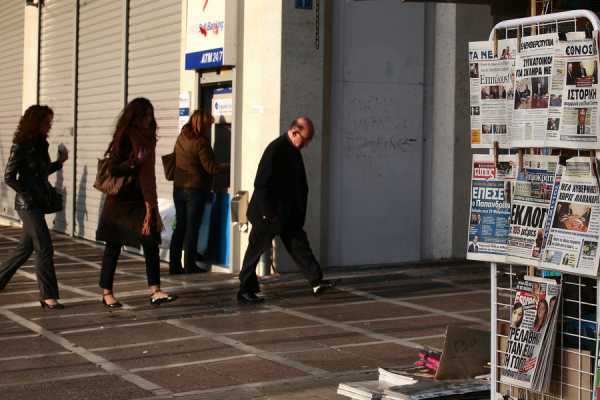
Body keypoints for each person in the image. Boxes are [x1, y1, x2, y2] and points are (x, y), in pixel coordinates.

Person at [237, 117, 336, 304]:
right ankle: (244, 290)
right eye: (305, 139)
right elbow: (261, 183)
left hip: (285, 214)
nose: (306, 144)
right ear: (294, 132)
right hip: (267, 214)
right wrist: (267, 213)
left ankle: (316, 281)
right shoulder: (276, 149)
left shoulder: (292, 150)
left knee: (299, 246)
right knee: (255, 250)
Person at [96, 98, 176, 308]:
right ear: (135, 117)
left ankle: (155, 290)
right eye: (145, 115)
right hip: (122, 200)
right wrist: (134, 162)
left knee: (151, 242)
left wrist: (152, 202)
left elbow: (149, 175)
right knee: (113, 245)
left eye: (150, 115)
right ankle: (107, 292)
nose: (149, 119)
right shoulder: (125, 136)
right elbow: (113, 167)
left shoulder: (149, 139)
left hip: (142, 199)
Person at [0, 105, 68, 309]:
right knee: (44, 246)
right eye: (46, 121)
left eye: (50, 121)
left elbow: (41, 171)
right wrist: (27, 194)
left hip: (38, 202)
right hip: (27, 205)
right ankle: (48, 296)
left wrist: (59, 162)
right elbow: (9, 177)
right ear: (35, 122)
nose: (49, 125)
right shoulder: (20, 145)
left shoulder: (41, 144)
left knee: (25, 247)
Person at [169, 110, 228, 274]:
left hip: (179, 188)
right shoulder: (201, 142)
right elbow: (210, 167)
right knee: (192, 228)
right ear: (202, 125)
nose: (209, 128)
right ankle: (190, 265)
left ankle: (174, 265)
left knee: (180, 227)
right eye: (208, 125)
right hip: (194, 190)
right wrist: (230, 166)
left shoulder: (181, 137)